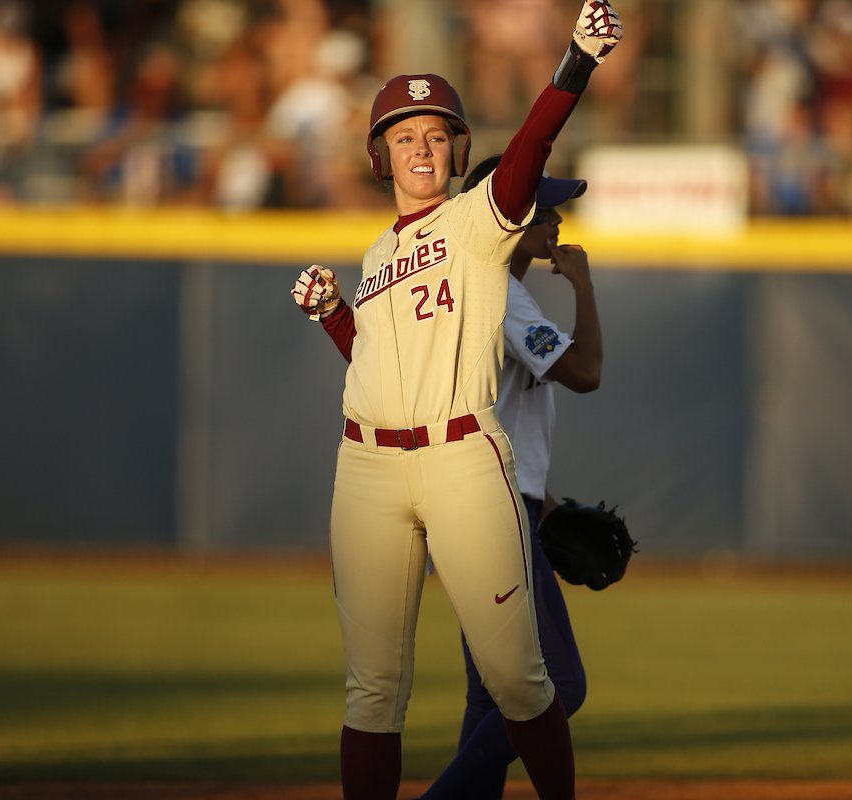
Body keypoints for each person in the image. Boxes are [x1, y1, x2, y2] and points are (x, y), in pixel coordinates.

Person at [289, 3, 622, 798]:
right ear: (381, 156)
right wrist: (336, 313)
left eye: (437, 134)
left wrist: (576, 59)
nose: (422, 148)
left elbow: (532, 151)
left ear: (456, 150)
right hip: (366, 464)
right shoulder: (376, 253)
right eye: (405, 136)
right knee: (372, 692)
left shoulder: (481, 222)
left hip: (462, 457)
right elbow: (374, 363)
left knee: (520, 680)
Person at [421, 154, 603, 799]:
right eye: (543, 208)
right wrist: (583, 285)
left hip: (473, 500)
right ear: (506, 216)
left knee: (490, 696)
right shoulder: (501, 291)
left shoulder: (478, 286)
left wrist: (544, 502)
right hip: (492, 511)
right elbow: (585, 374)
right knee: (557, 685)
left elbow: (491, 412)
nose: (556, 220)